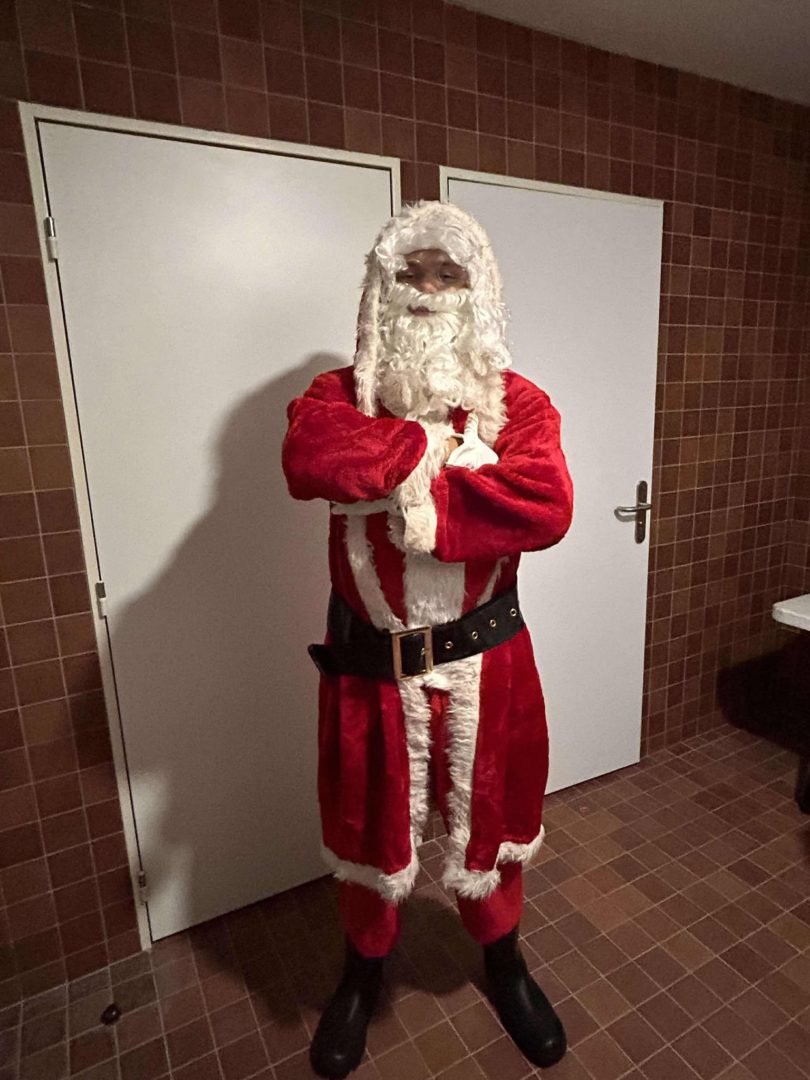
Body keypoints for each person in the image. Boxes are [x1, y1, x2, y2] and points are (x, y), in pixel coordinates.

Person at [282, 200, 574, 1078]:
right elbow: (311, 457)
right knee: (365, 829)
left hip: (489, 661)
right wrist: (431, 455)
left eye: (448, 273)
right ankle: (362, 974)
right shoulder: (336, 395)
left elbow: (544, 505)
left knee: (494, 821)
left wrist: (402, 491)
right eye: (409, 272)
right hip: (370, 666)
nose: (427, 289)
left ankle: (505, 963)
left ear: (478, 291)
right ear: (379, 290)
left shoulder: (519, 404)